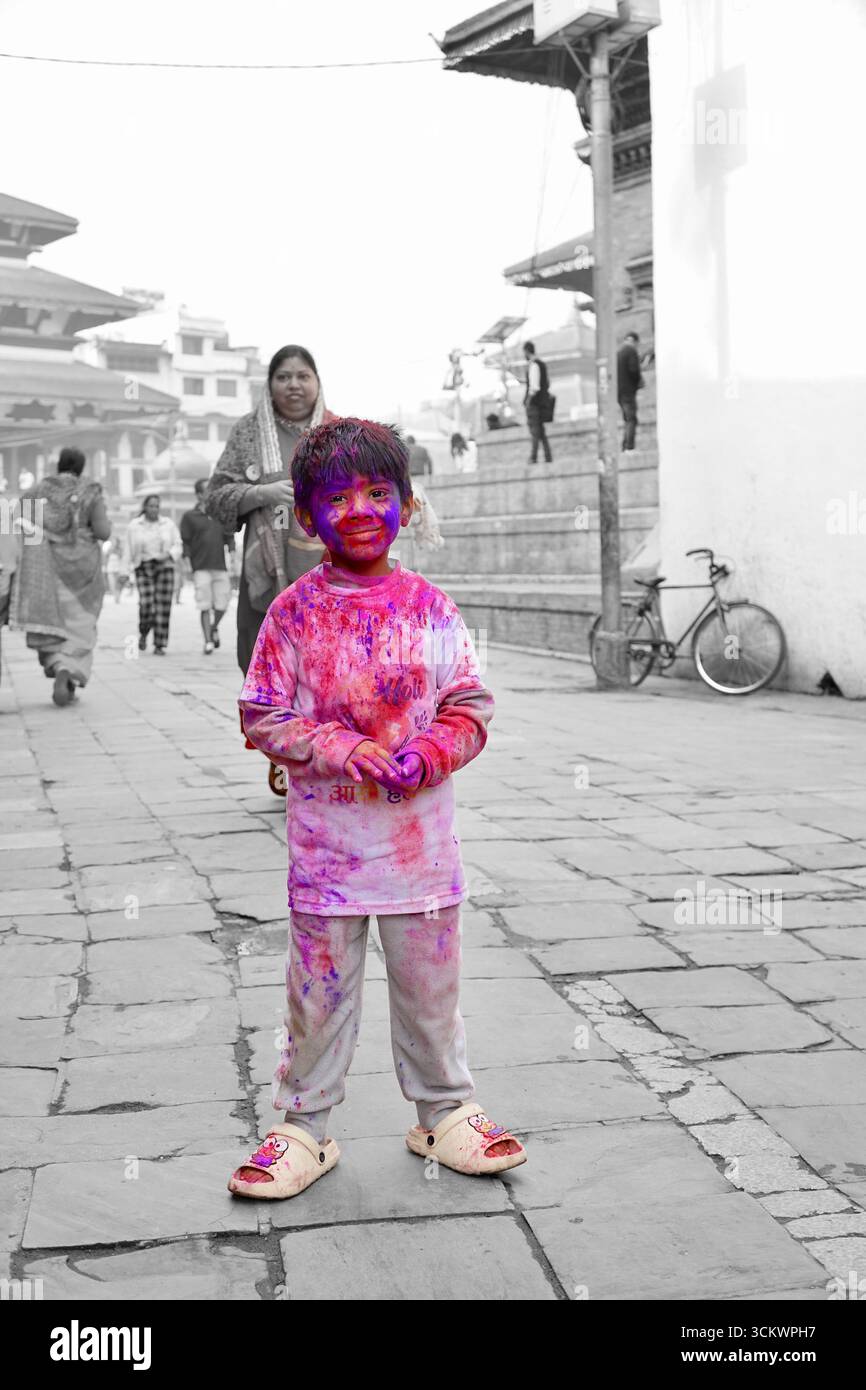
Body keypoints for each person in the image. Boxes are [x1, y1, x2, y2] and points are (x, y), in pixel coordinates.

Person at [226, 417, 527, 1202]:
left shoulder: (431, 609)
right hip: (327, 858)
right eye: (336, 497)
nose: (358, 509)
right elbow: (262, 712)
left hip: (421, 855)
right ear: (306, 517)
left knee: (431, 992)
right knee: (317, 996)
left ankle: (444, 1110)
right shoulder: (292, 614)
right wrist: (336, 746)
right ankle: (304, 1125)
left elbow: (470, 705)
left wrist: (432, 751)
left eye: (377, 493)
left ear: (407, 504)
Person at [205, 344, 337, 794]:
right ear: (270, 384)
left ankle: (321, 755)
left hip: (330, 577)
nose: (294, 385)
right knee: (266, 666)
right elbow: (215, 497)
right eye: (284, 377)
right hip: (265, 578)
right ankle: (283, 752)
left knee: (328, 670)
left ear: (317, 381)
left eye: (303, 376)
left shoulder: (341, 432)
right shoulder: (247, 433)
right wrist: (261, 494)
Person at [9, 448, 111, 706]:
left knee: (55, 622)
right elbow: (102, 532)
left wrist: (46, 543)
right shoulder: (91, 491)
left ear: (58, 465)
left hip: (49, 570)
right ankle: (70, 668)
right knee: (80, 623)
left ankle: (58, 665)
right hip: (84, 572)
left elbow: (22, 526)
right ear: (81, 466)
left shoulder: (37, 491)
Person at [180, 478, 235, 655]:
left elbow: (229, 537)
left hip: (220, 565)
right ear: (198, 495)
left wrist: (233, 556)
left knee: (223, 603)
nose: (212, 492)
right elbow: (186, 542)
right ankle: (208, 641)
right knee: (204, 604)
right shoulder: (189, 517)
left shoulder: (221, 514)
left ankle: (212, 627)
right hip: (200, 566)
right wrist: (187, 562)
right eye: (207, 490)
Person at [123, 494, 182, 655]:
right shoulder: (134, 526)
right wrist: (124, 571)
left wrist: (169, 554)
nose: (154, 509)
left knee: (163, 606)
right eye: (151, 506)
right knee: (146, 603)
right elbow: (127, 549)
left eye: (157, 506)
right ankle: (143, 632)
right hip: (143, 566)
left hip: (164, 565)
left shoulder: (168, 524)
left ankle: (159, 644)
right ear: (145, 507)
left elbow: (178, 544)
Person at [523, 341, 553, 465]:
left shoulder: (534, 365)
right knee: (540, 432)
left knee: (535, 431)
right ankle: (548, 456)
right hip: (542, 404)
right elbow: (546, 383)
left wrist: (528, 401)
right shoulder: (541, 365)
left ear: (526, 351)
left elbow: (534, 387)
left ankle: (533, 457)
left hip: (535, 404)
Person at [617, 330, 644, 453]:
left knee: (627, 419)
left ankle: (625, 446)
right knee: (631, 419)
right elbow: (634, 370)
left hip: (619, 392)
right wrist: (639, 381)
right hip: (628, 391)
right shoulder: (631, 351)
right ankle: (629, 446)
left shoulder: (619, 352)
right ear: (634, 341)